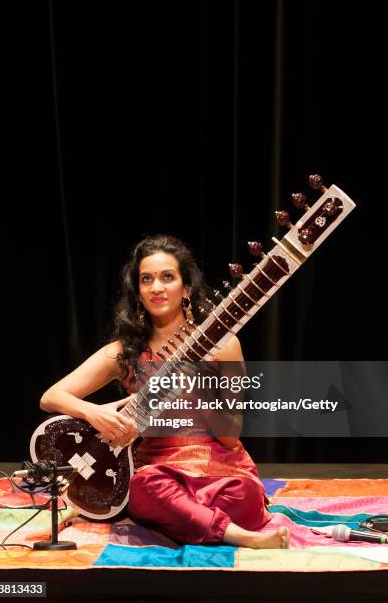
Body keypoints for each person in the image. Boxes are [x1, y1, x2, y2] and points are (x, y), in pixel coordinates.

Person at [40, 234, 289, 549]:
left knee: (246, 497)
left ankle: (177, 522)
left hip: (222, 473)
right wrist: (95, 412)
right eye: (147, 279)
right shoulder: (125, 352)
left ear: (186, 287)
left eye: (167, 277)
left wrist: (197, 390)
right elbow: (51, 397)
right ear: (139, 292)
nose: (157, 287)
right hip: (160, 473)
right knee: (144, 487)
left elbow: (230, 436)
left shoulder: (225, 345)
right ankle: (239, 537)